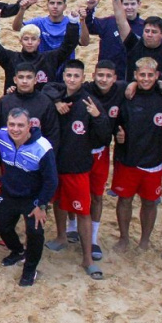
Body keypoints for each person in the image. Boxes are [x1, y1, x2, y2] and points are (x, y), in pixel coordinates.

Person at [41, 60, 111, 280]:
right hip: (56, 163)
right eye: (69, 75)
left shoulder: (89, 102)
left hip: (78, 166)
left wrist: (97, 117)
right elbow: (45, 88)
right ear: (64, 77)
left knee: (83, 211)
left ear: (83, 78)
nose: (72, 79)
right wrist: (56, 102)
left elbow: (104, 137)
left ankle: (87, 257)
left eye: (76, 76)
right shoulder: (57, 95)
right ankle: (61, 236)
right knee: (58, 203)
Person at [0, 109, 58, 288]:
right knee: (2, 226)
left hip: (33, 199)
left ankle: (30, 270)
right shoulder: (2, 135)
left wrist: (41, 205)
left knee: (35, 233)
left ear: (29, 126)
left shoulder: (43, 148)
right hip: (9, 193)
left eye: (20, 125)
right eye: (11, 124)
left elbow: (51, 181)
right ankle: (18, 251)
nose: (15, 129)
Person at [110, 58, 162, 253]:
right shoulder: (125, 94)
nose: (146, 79)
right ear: (135, 75)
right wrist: (117, 133)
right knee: (124, 199)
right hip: (127, 158)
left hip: (153, 160)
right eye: (142, 75)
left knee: (149, 202)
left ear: (157, 76)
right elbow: (112, 119)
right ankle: (124, 238)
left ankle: (145, 240)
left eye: (150, 75)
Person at [73, 59, 127, 249]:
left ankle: (93, 237)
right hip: (78, 150)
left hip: (101, 152)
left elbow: (144, 83)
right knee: (74, 192)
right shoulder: (84, 88)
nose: (103, 79)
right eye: (100, 75)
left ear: (115, 78)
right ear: (93, 76)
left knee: (96, 195)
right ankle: (72, 228)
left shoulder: (121, 90)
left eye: (108, 76)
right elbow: (54, 88)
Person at [0, 6, 82, 93]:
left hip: (43, 105)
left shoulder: (49, 58)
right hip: (16, 104)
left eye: (33, 39)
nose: (30, 42)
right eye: (26, 39)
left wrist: (73, 22)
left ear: (39, 41)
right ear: (20, 41)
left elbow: (68, 46)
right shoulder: (11, 58)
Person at [0, 63, 61, 150]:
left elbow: (52, 135)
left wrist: (47, 157)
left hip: (36, 155)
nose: (24, 81)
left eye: (29, 77)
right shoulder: (4, 102)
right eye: (21, 77)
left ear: (35, 80)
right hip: (7, 154)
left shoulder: (45, 103)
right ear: (15, 80)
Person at [84, 0, 144, 79]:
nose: (129, 7)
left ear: (139, 4)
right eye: (126, 4)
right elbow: (89, 26)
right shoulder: (109, 22)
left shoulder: (144, 27)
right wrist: (90, 9)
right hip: (107, 77)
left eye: (133, 4)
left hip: (130, 77)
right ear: (120, 4)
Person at [10, 0, 90, 53]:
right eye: (52, 3)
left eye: (59, 3)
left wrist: (82, 20)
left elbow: (85, 43)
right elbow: (17, 28)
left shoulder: (72, 24)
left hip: (66, 66)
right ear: (47, 5)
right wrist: (22, 9)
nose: (55, 6)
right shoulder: (39, 22)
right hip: (43, 66)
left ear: (65, 6)